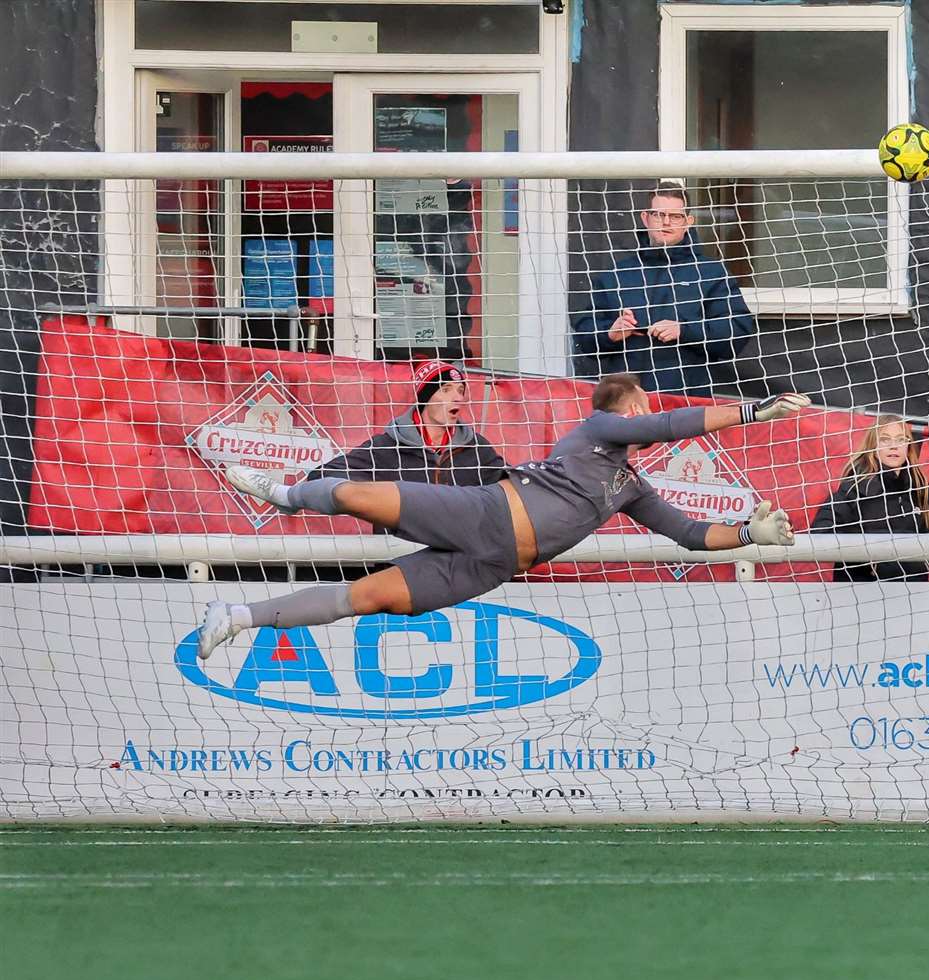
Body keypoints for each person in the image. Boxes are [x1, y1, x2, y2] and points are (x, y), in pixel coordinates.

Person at [194, 374, 810, 659]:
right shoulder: (598, 429)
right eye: (640, 410)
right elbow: (669, 423)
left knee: (369, 596)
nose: (646, 417)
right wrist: (755, 412)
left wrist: (746, 535)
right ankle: (287, 495)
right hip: (485, 516)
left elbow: (692, 533)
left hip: (492, 565)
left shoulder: (630, 487)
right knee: (359, 494)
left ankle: (237, 617)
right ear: (627, 412)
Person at [574, 181, 754, 397]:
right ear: (645, 218)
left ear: (688, 222)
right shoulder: (617, 273)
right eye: (658, 214)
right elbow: (583, 334)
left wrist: (685, 330)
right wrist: (610, 333)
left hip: (686, 402)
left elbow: (737, 331)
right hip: (625, 403)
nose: (666, 222)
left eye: (675, 216)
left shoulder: (710, 273)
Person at [306, 359, 507, 488]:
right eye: (446, 390)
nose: (457, 398)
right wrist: (372, 498)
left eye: (460, 391)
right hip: (400, 550)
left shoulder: (476, 448)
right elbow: (321, 475)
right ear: (425, 399)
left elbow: (513, 483)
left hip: (457, 552)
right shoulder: (386, 447)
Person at [809, 415, 929, 582]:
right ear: (873, 446)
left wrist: (918, 564)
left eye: (901, 439)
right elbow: (820, 533)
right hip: (859, 596)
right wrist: (868, 558)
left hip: (912, 597)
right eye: (885, 440)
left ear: (909, 445)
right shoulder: (854, 489)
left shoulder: (919, 492)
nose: (894, 446)